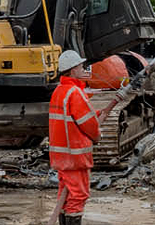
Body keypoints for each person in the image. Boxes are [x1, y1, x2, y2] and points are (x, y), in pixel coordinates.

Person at [48, 49, 99, 225]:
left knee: (67, 193)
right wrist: (97, 135)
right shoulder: (74, 93)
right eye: (80, 66)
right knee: (78, 195)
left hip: (62, 156)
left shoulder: (60, 91)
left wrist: (95, 115)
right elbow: (89, 124)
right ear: (72, 70)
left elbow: (72, 119)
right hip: (75, 156)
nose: (83, 68)